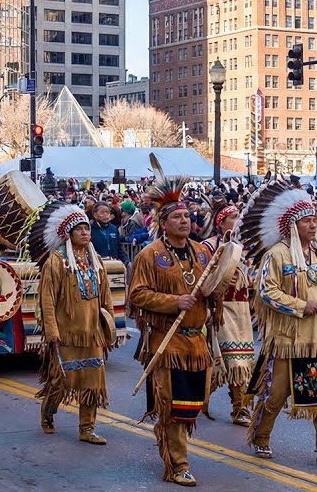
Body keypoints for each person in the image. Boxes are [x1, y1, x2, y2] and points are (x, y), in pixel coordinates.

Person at [245, 181, 317, 472]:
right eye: (306, 221)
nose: (313, 225)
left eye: (314, 220)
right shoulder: (277, 255)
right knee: (276, 395)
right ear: (292, 226)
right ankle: (261, 436)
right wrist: (299, 305)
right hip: (286, 338)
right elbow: (266, 292)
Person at [128, 172, 215, 486]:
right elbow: (137, 295)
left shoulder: (203, 252)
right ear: (162, 223)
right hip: (166, 343)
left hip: (197, 344)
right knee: (172, 406)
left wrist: (224, 284)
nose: (184, 221)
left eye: (187, 216)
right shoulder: (149, 256)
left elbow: (213, 289)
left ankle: (177, 452)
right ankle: (177, 463)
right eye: (177, 217)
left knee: (192, 404)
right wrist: (172, 301)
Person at [32, 203, 113, 445]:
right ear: (68, 234)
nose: (85, 233)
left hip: (91, 333)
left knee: (93, 381)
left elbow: (106, 297)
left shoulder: (96, 260)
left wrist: (109, 325)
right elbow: (47, 298)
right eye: (79, 229)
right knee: (61, 380)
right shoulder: (56, 261)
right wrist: (52, 330)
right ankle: (49, 410)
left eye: (87, 229)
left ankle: (87, 429)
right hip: (66, 333)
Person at [207, 205, 253, 426]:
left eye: (239, 217)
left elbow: (257, 277)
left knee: (240, 361)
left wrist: (248, 279)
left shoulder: (246, 249)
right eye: (233, 217)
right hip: (217, 310)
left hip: (241, 309)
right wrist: (221, 279)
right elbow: (202, 278)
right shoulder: (208, 246)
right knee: (215, 360)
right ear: (221, 222)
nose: (238, 220)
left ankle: (240, 408)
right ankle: (199, 399)